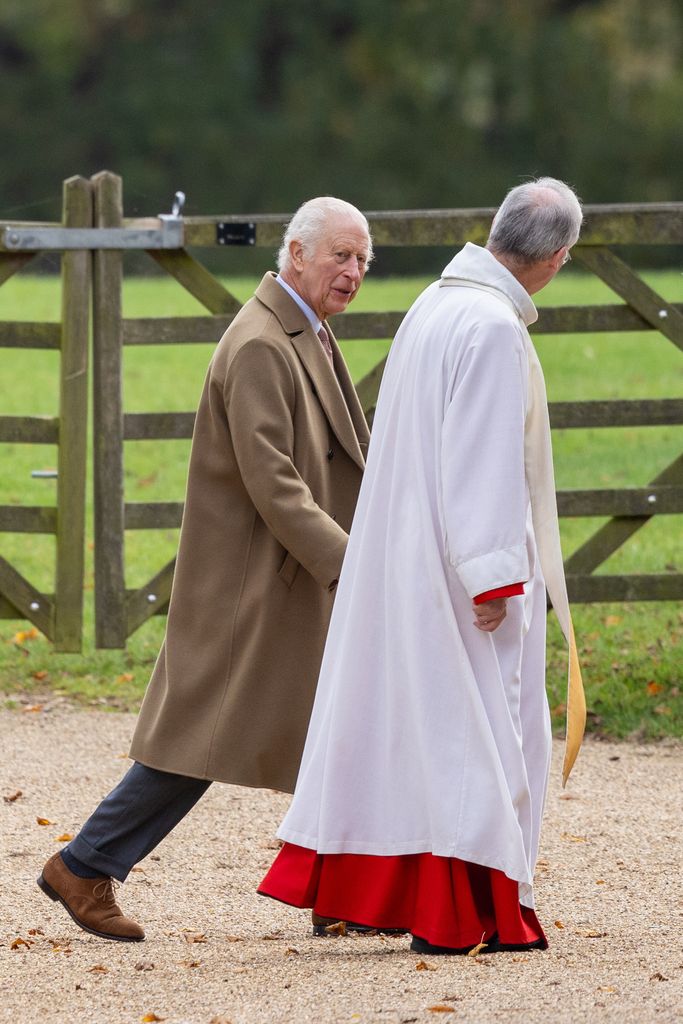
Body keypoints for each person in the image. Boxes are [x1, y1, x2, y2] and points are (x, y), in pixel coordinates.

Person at [258, 177, 587, 955]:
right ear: (559, 258)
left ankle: (425, 899)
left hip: (408, 557)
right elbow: (480, 459)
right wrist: (493, 576)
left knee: (424, 733)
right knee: (478, 734)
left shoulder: (437, 305)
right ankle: (466, 911)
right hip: (456, 572)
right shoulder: (491, 326)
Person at [37, 196, 373, 942]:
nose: (352, 273)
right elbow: (274, 482)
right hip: (257, 586)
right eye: (339, 257)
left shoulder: (305, 329)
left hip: (288, 579)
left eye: (362, 261)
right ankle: (84, 865)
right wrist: (353, 566)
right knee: (200, 741)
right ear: (295, 254)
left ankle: (340, 893)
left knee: (335, 729)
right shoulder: (261, 342)